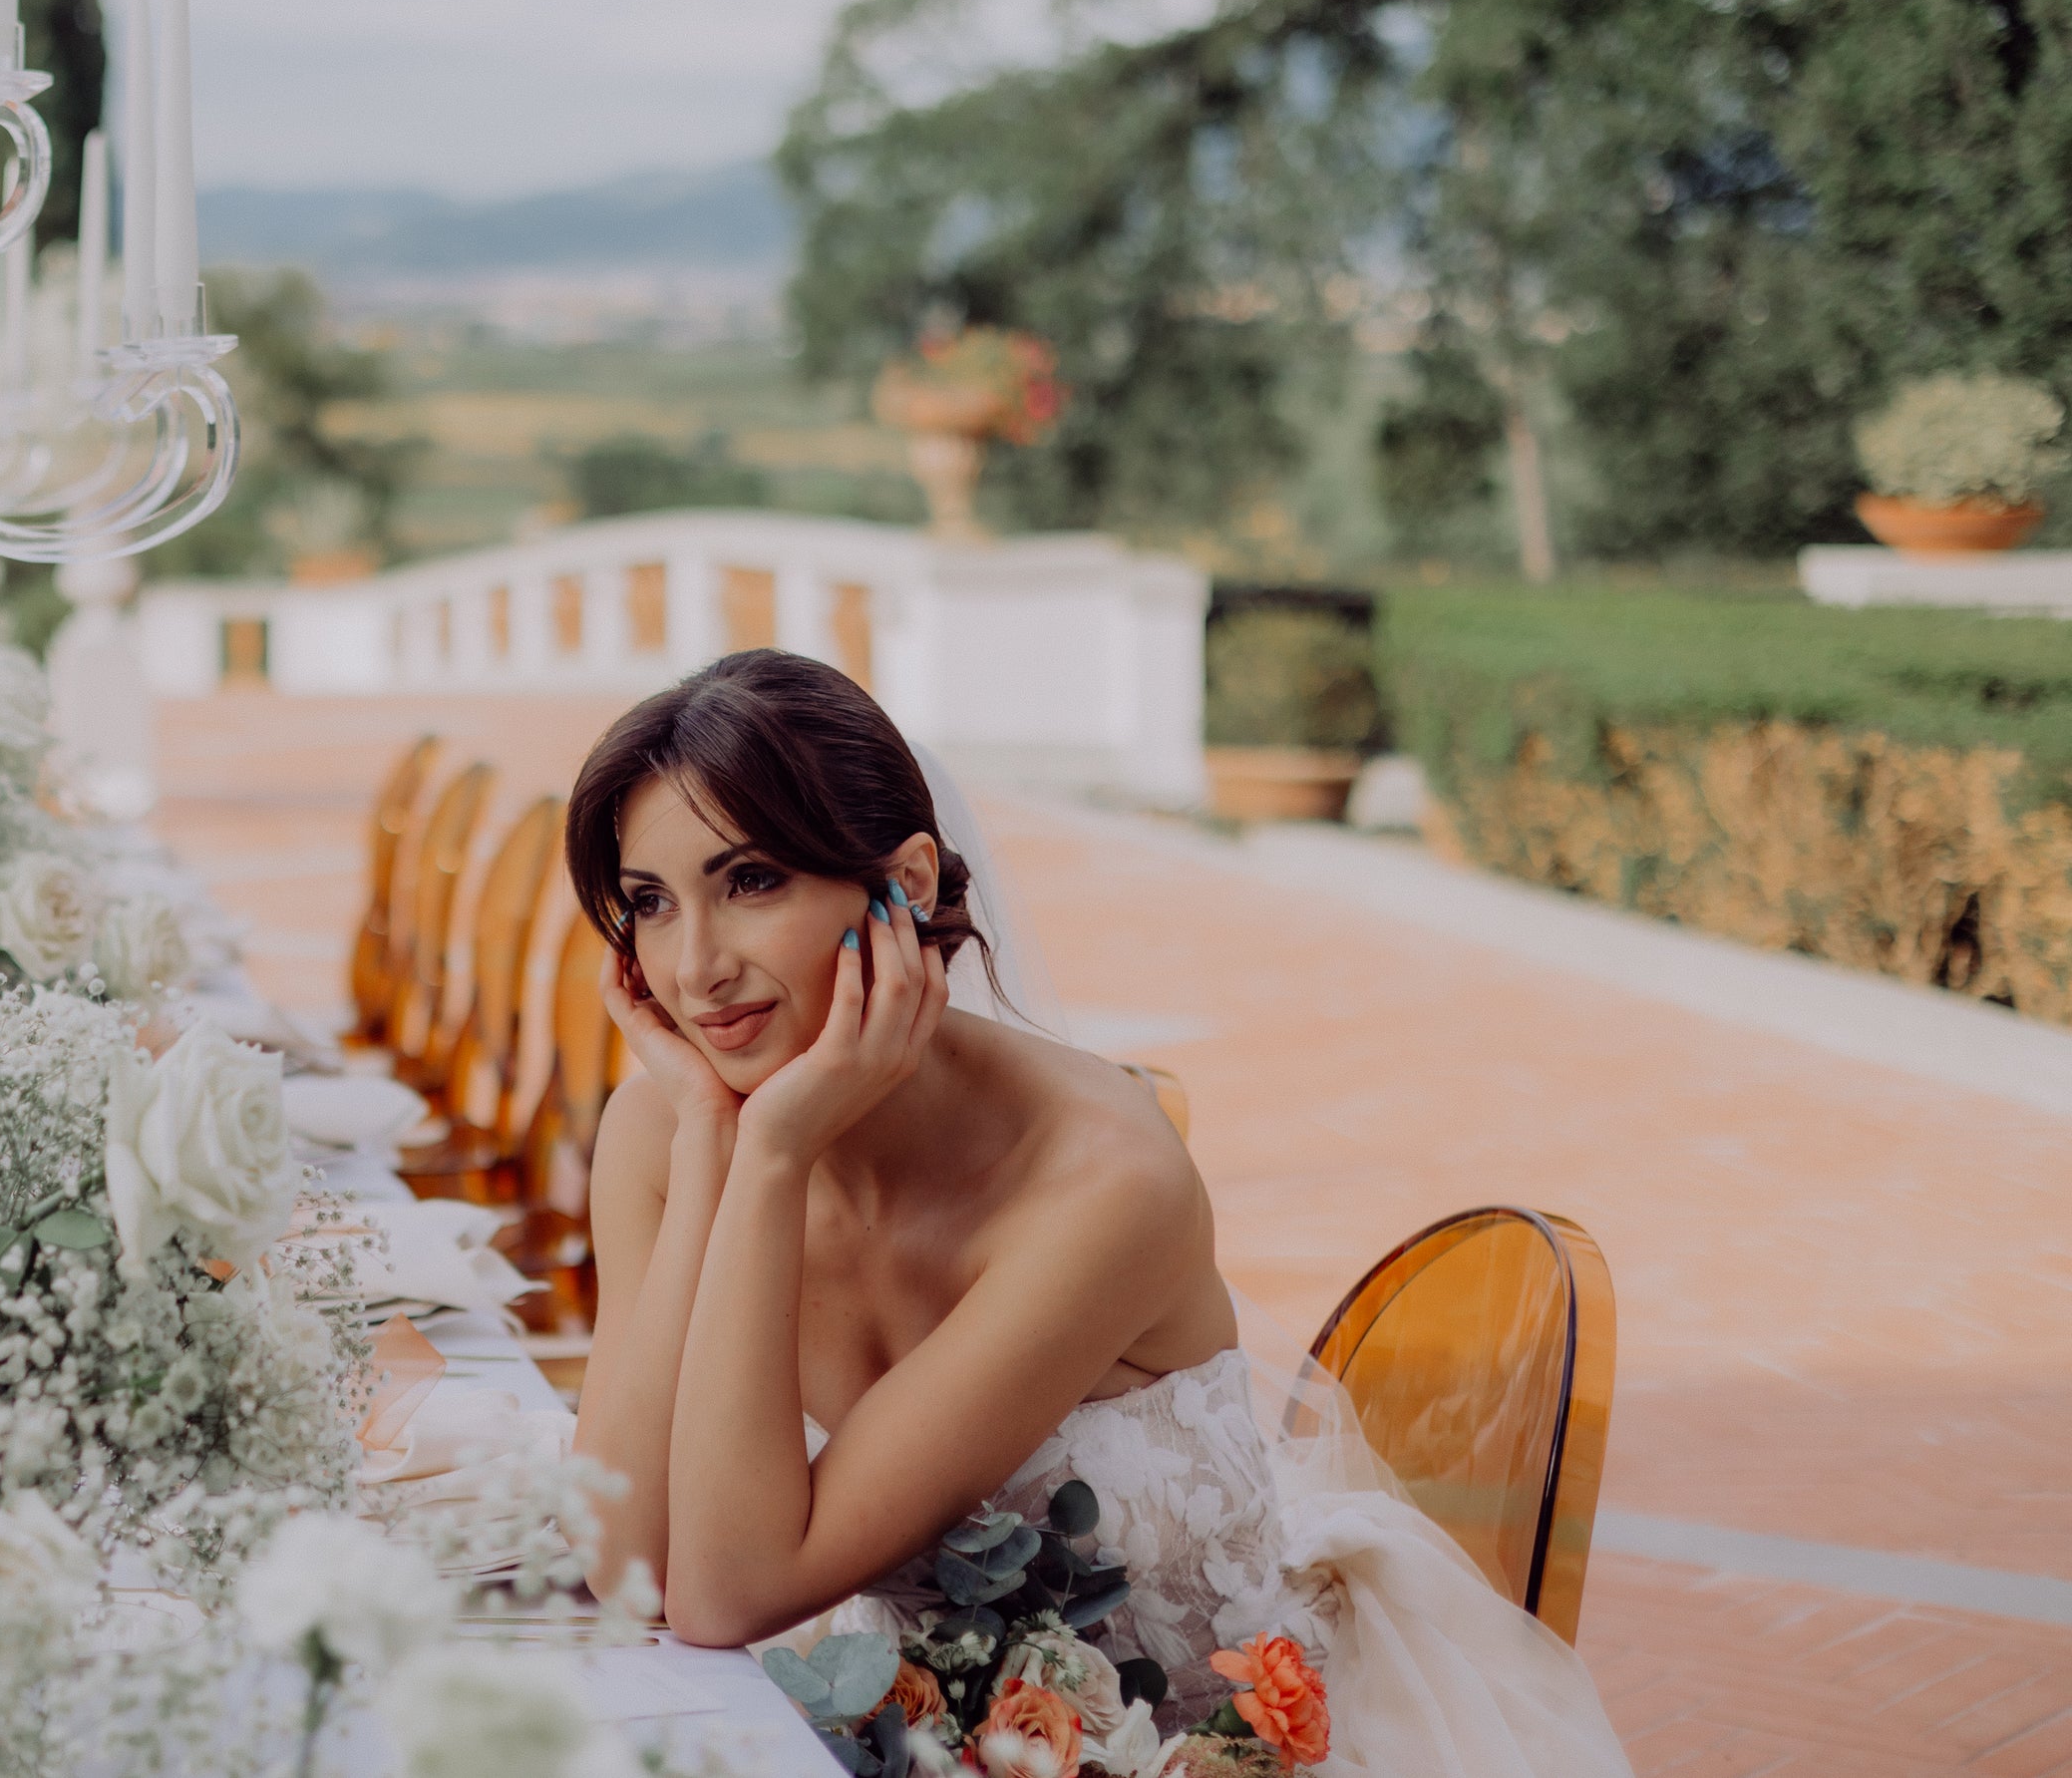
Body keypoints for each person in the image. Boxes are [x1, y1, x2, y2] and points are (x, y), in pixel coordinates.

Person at [567, 649, 1633, 1772]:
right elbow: (622, 1564)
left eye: (750, 882)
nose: (692, 970)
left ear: (906, 885)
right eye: (648, 902)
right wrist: (708, 1143)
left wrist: (773, 1153)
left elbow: (726, 1594)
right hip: (917, 1739)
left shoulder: (1101, 1178)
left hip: (1197, 1751)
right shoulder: (670, 1132)